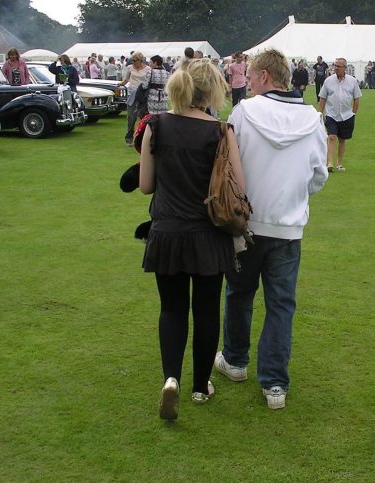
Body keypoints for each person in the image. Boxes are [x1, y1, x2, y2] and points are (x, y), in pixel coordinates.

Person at [215, 48, 327, 411]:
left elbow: (231, 165)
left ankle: (235, 361)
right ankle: (274, 383)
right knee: (281, 305)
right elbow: (318, 177)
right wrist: (293, 194)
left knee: (239, 293)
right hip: (288, 226)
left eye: (249, 76)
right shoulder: (313, 118)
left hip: (246, 223)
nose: (246, 82)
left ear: (265, 77)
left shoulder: (244, 112)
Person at [139, 58, 244, 421]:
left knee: (171, 309)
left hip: (167, 232)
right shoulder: (220, 131)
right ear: (212, 89)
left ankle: (171, 379)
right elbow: (238, 188)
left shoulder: (155, 125)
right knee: (206, 310)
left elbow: (145, 186)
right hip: (208, 236)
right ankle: (201, 386)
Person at [317, 57, 361, 172]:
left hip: (347, 115)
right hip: (332, 114)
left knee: (342, 139)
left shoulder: (352, 81)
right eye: (334, 65)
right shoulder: (328, 81)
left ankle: (339, 163)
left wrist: (353, 113)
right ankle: (330, 163)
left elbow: (357, 99)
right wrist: (319, 114)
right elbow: (322, 99)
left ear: (345, 68)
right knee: (331, 137)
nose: (335, 68)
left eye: (338, 66)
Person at [119, 51, 151, 146]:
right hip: (132, 94)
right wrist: (120, 84)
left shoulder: (148, 69)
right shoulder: (129, 68)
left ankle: (142, 138)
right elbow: (126, 80)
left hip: (143, 95)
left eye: (135, 60)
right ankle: (129, 138)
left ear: (140, 60)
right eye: (132, 60)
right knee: (131, 117)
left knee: (143, 117)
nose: (133, 62)